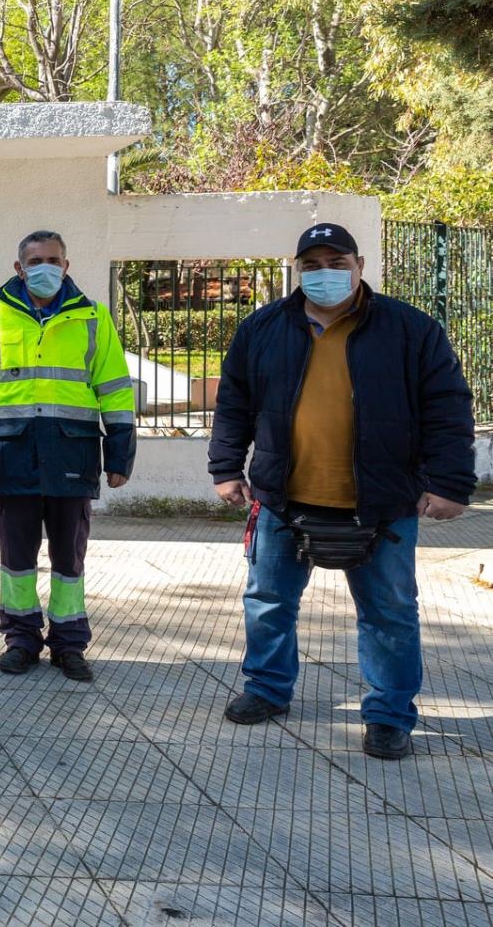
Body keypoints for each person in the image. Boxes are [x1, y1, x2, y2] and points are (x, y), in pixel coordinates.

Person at [210, 223, 475, 760]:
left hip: (382, 502)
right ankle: (266, 688)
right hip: (282, 498)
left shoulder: (410, 330)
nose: (324, 274)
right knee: (267, 601)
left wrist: (450, 483)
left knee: (389, 613)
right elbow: (234, 403)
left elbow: (448, 410)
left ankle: (389, 713)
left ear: (359, 265)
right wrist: (225, 468)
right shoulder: (263, 328)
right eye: (312, 264)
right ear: (296, 268)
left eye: (337, 262)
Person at [0, 230, 135, 683]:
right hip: (13, 450)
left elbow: (114, 388)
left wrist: (119, 454)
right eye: (36, 261)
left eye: (54, 259)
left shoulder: (92, 317)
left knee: (69, 558)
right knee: (16, 554)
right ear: (19, 268)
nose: (45, 268)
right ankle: (21, 639)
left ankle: (69, 644)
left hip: (72, 451)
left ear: (66, 265)